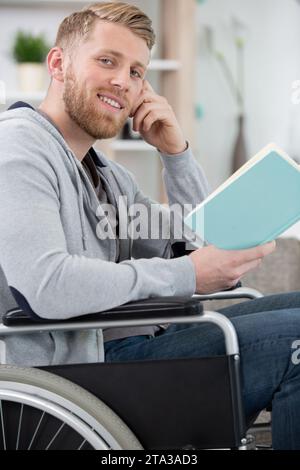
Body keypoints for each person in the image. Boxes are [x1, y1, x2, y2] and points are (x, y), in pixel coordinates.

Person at [0, 2, 300, 450]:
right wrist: (187, 274)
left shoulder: (109, 175)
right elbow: (48, 284)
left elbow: (201, 241)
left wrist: (175, 154)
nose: (124, 81)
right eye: (107, 61)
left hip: (133, 348)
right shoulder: (17, 148)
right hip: (81, 375)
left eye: (138, 71)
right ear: (58, 64)